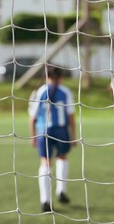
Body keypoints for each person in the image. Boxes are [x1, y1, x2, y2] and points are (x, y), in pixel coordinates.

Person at [29, 66, 76, 212]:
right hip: (61, 130)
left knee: (45, 162)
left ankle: (45, 201)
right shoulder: (65, 91)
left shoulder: (40, 91)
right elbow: (71, 116)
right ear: (61, 77)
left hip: (44, 131)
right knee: (62, 157)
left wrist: (33, 136)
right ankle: (61, 190)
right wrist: (73, 136)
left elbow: (32, 117)